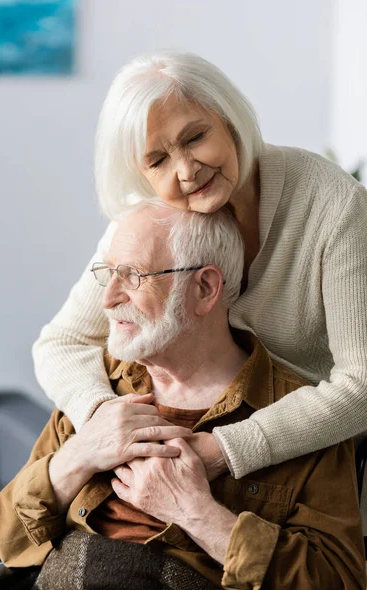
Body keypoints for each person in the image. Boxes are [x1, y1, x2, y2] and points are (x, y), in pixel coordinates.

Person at [0, 204, 366, 590]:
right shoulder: (94, 387)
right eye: (108, 273)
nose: (108, 299)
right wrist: (79, 454)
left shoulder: (303, 418)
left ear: (205, 288)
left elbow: (339, 589)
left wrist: (197, 514)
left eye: (132, 275)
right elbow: (8, 540)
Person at [32, 50, 367, 482]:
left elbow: (362, 382)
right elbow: (62, 342)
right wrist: (104, 418)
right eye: (158, 160)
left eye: (195, 138)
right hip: (185, 455)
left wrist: (224, 449)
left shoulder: (333, 204)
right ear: (142, 173)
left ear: (229, 120)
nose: (187, 171)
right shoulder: (152, 219)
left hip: (312, 471)